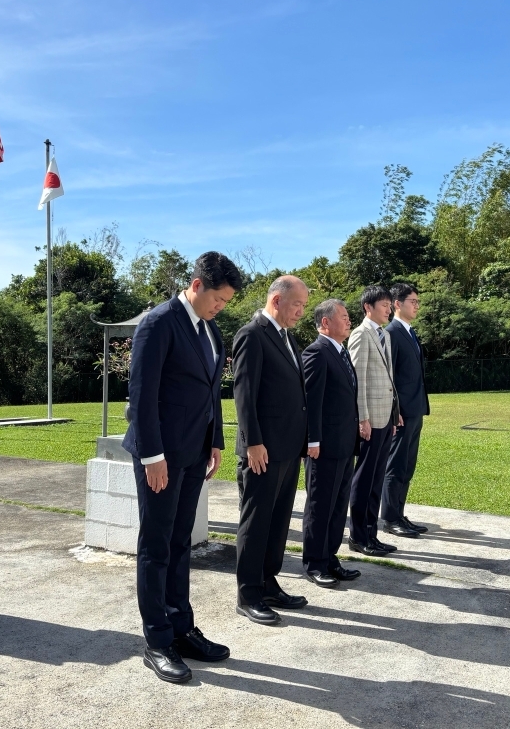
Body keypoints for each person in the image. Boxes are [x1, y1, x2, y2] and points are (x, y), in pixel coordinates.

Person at [122, 251, 243, 684]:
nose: (220, 307)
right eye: (219, 299)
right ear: (196, 285)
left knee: (179, 543)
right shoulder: (159, 323)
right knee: (156, 546)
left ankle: (181, 626)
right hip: (161, 457)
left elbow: (212, 392)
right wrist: (153, 457)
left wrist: (215, 442)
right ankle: (157, 640)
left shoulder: (211, 331)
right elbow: (143, 395)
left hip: (195, 454)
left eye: (226, 303)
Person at [233, 275, 309, 625]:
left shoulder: (287, 338)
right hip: (261, 449)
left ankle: (267, 581)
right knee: (256, 520)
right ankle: (248, 593)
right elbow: (244, 395)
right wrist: (253, 442)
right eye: (298, 305)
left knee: (278, 521)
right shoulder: (252, 335)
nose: (301, 312)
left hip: (287, 447)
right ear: (277, 300)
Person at [301, 299, 361, 587]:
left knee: (338, 505)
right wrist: (313, 440)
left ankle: (330, 557)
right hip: (324, 446)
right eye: (344, 317)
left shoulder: (341, 352)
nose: (349, 321)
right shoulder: (316, 353)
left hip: (344, 443)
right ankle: (314, 563)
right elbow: (311, 402)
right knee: (320, 504)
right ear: (326, 322)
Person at [347, 285, 401, 556]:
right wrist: (362, 418)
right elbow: (358, 381)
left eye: (390, 306)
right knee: (364, 478)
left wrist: (394, 413)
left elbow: (388, 379)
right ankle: (358, 536)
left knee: (377, 478)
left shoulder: (384, 336)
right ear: (368, 307)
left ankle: (372, 534)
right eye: (384, 306)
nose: (389, 310)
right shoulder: (360, 334)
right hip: (369, 420)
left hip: (385, 418)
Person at [381, 282, 431, 537]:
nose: (416, 306)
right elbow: (387, 376)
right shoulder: (390, 333)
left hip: (415, 409)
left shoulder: (410, 332)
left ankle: (399, 513)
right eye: (413, 301)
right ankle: (390, 518)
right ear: (397, 304)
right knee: (396, 465)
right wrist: (394, 410)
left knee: (408, 465)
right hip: (400, 413)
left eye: (417, 302)